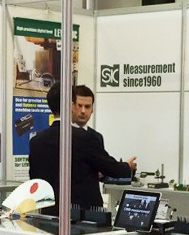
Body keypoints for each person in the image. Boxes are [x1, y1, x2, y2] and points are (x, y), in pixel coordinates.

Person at [29, 84, 135, 215]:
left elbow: (35, 178)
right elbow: (111, 167)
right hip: (82, 215)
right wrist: (127, 166)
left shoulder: (36, 141)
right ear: (71, 105)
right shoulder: (84, 137)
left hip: (50, 213)